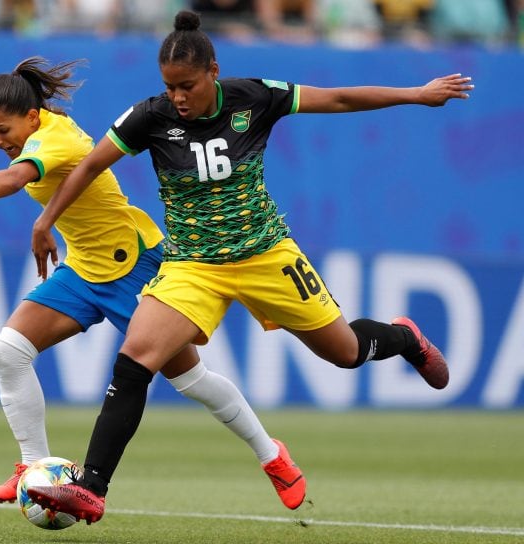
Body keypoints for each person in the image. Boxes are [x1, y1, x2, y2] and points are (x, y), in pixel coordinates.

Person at [26, 10, 472, 524]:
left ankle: (405, 339)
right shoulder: (148, 117)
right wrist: (46, 220)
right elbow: (89, 165)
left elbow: (340, 98)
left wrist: (416, 93)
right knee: (134, 360)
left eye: (187, 86)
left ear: (213, 71)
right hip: (194, 265)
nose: (177, 98)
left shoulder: (255, 96)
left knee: (345, 353)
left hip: (265, 254)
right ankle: (92, 488)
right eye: (170, 88)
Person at [0, 56, 306, 510]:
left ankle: (272, 456)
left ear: (32, 117)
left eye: (2, 131)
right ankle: (32, 468)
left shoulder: (54, 137)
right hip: (84, 269)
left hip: (134, 264)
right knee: (7, 352)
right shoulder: (37, 133)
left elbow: (15, 180)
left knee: (190, 379)